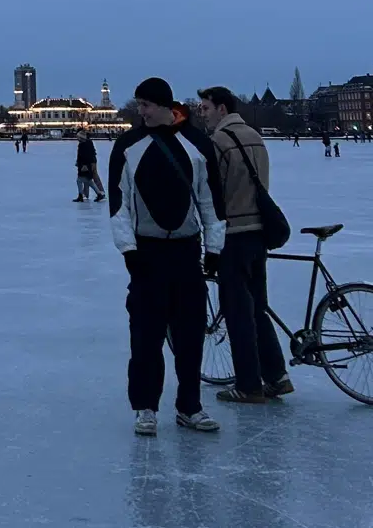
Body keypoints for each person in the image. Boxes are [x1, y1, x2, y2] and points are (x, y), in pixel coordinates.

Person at [109, 77, 225, 435]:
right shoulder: (127, 146)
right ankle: (146, 406)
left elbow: (210, 201)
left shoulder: (196, 144)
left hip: (187, 252)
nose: (139, 111)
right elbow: (119, 205)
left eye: (145, 105)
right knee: (145, 335)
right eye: (138, 105)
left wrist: (215, 248)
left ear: (163, 105)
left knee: (190, 336)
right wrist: (128, 250)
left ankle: (190, 406)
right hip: (147, 254)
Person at [197, 87, 291, 403]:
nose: (203, 115)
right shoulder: (255, 136)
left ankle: (249, 384)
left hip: (233, 233)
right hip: (258, 232)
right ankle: (277, 376)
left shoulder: (219, 143)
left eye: (206, 109)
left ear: (222, 109)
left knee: (237, 313)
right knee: (258, 309)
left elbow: (211, 192)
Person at [74, 132, 104, 202]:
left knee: (82, 180)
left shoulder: (84, 145)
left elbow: (85, 156)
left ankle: (83, 195)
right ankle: (96, 194)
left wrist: (84, 165)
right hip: (85, 164)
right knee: (87, 180)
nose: (77, 138)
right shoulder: (84, 144)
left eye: (78, 137)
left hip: (85, 165)